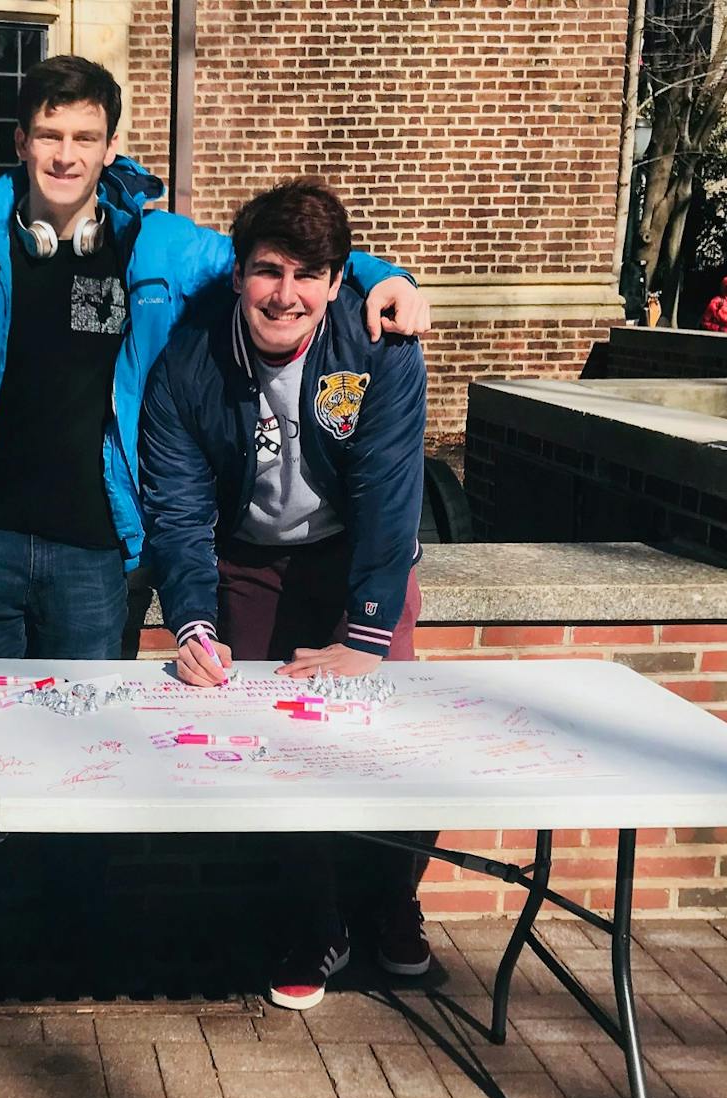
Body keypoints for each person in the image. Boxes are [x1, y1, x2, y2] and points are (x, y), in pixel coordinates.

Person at [0, 55, 429, 660]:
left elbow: (279, 258)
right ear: (21, 141)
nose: (66, 156)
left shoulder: (159, 247)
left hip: (91, 553)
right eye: (49, 135)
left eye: (85, 137)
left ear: (110, 147)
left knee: (89, 743)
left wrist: (388, 276)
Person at [138, 177, 431, 1011]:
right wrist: (192, 622)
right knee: (272, 744)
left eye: (309, 275)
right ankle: (313, 920)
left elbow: (389, 491)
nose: (286, 294)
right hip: (253, 560)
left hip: (359, 559)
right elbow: (178, 506)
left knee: (387, 729)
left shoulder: (379, 347)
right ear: (239, 275)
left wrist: (368, 632)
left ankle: (394, 904)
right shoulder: (189, 361)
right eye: (269, 272)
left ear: (338, 282)